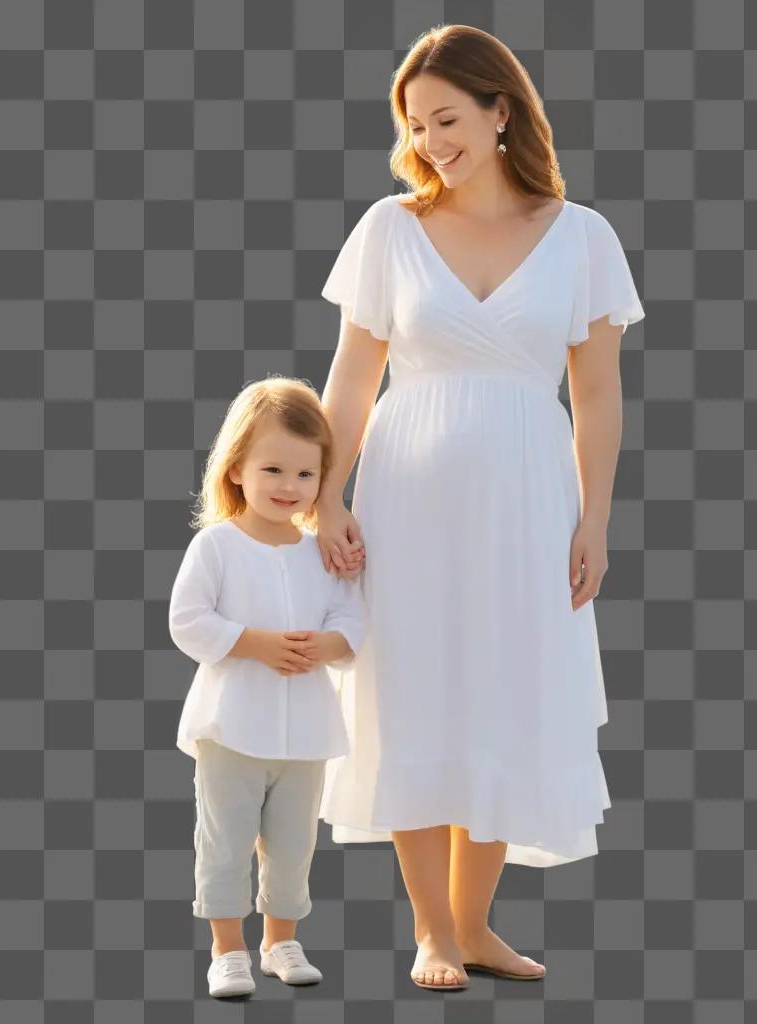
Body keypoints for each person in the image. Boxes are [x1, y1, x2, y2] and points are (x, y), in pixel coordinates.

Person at [312, 25, 646, 990]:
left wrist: (597, 519)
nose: (431, 143)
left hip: (528, 500)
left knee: (506, 689)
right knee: (412, 690)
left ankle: (474, 923)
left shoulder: (583, 237)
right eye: (416, 126)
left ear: (504, 111)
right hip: (407, 499)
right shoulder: (388, 228)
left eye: (448, 119)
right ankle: (429, 930)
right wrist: (326, 497)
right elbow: (350, 381)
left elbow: (597, 394)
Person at [168, 377, 367, 998]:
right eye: (273, 468)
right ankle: (227, 950)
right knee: (224, 841)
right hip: (231, 729)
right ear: (235, 469)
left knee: (292, 845)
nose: (289, 486)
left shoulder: (322, 554)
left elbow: (352, 619)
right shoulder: (217, 546)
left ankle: (281, 940)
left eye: (306, 475)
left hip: (304, 733)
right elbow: (187, 621)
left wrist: (328, 647)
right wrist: (254, 642)